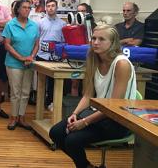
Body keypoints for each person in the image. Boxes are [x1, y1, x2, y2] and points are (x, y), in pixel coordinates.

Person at [49, 25, 137, 168]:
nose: (95, 42)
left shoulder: (121, 64)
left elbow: (113, 106)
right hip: (99, 114)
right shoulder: (93, 59)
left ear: (113, 43)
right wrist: (75, 114)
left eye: (101, 39)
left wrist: (84, 122)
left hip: (118, 119)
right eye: (94, 38)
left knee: (72, 140)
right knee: (56, 133)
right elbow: (88, 95)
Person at [2, 0, 39, 130]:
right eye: (24, 7)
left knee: (25, 92)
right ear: (18, 9)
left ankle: (22, 117)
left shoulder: (34, 25)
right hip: (13, 63)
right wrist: (21, 58)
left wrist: (31, 57)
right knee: (15, 92)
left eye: (29, 8)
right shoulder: (10, 25)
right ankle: (13, 117)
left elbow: (36, 44)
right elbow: (7, 45)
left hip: (29, 63)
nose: (27, 10)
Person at [37, 0, 66, 110]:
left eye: (53, 6)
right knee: (41, 80)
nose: (50, 8)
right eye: (48, 6)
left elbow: (64, 40)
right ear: (45, 8)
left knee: (53, 81)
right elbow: (37, 39)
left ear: (56, 7)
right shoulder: (40, 22)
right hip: (42, 55)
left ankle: (50, 102)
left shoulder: (63, 24)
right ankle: (39, 102)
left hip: (56, 56)